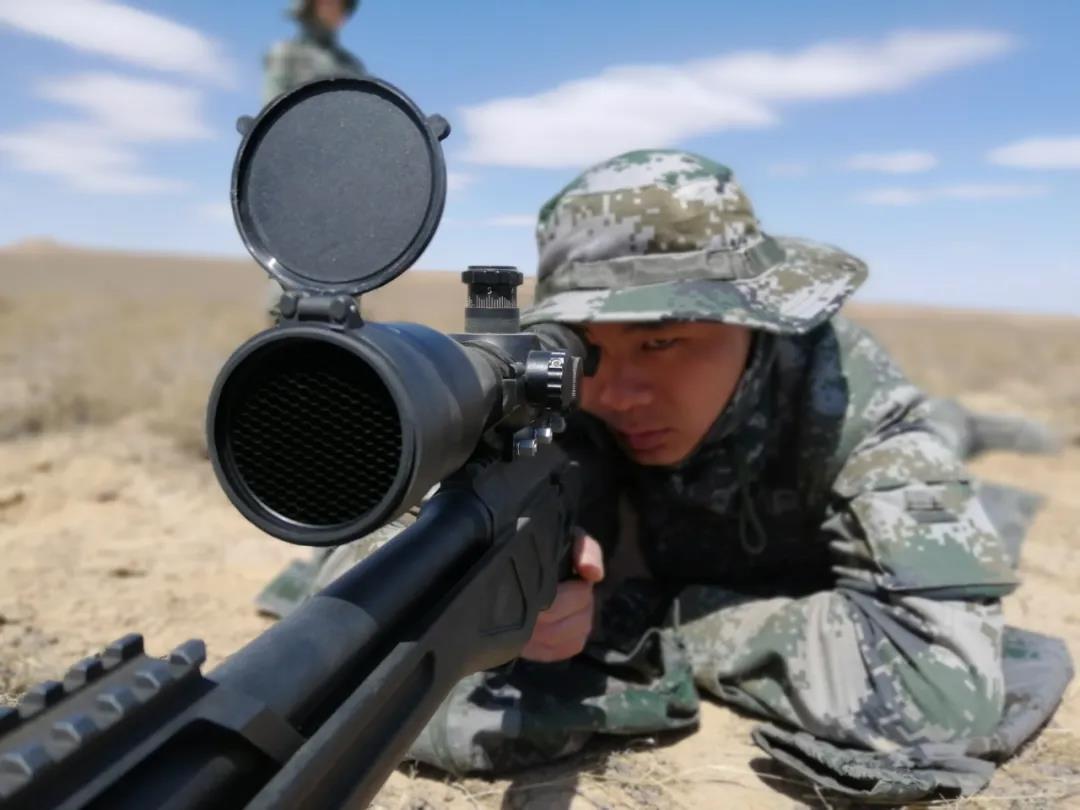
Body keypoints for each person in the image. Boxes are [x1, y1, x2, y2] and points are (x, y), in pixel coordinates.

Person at [257, 150, 1072, 803]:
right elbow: (366, 604)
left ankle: (984, 423)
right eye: (590, 348)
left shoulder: (858, 403)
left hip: (868, 449)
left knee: (952, 430)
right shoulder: (561, 393)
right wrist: (500, 620)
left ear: (754, 323)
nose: (618, 392)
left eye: (662, 342)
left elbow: (941, 690)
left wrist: (642, 628)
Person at [263, 0, 368, 106]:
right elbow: (273, 109)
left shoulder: (353, 65)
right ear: (309, 6)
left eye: (341, 3)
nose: (336, 8)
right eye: (328, 2)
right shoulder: (285, 54)